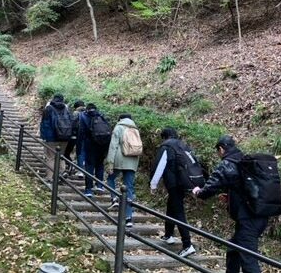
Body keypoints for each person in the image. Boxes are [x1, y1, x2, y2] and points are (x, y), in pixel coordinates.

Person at [192, 135, 268, 273]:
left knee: (249, 261)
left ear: (221, 149)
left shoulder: (228, 164)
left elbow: (211, 187)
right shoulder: (243, 160)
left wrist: (198, 192)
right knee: (233, 248)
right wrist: (230, 196)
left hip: (249, 219)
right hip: (257, 215)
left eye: (218, 151)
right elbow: (245, 189)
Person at [150, 127, 196, 258]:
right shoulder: (183, 145)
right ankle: (168, 235)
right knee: (172, 206)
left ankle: (187, 245)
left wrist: (153, 184)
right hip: (185, 183)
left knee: (179, 212)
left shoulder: (166, 146)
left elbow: (159, 165)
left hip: (174, 184)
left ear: (164, 137)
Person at [106, 114, 140, 228]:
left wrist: (110, 162)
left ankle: (114, 198)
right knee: (129, 188)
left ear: (120, 119)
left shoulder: (118, 127)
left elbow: (113, 146)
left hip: (119, 160)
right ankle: (129, 218)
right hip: (132, 161)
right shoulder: (135, 129)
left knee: (110, 178)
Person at [78, 103, 111, 197]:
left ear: (87, 109)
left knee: (89, 166)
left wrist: (80, 147)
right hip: (102, 145)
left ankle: (88, 189)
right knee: (100, 164)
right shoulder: (102, 116)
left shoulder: (84, 116)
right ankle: (99, 185)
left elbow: (81, 133)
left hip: (90, 145)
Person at [38, 94, 69, 181]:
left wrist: (43, 136)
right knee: (61, 156)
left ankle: (50, 177)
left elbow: (45, 124)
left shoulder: (49, 109)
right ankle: (61, 174)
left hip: (51, 138)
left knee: (51, 157)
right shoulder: (66, 108)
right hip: (64, 137)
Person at [67, 100, 85, 177]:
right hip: (88, 137)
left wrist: (71, 134)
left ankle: (74, 167)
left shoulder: (76, 113)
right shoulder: (88, 112)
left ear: (76, 107)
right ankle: (84, 170)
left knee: (73, 152)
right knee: (83, 153)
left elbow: (73, 124)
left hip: (76, 136)